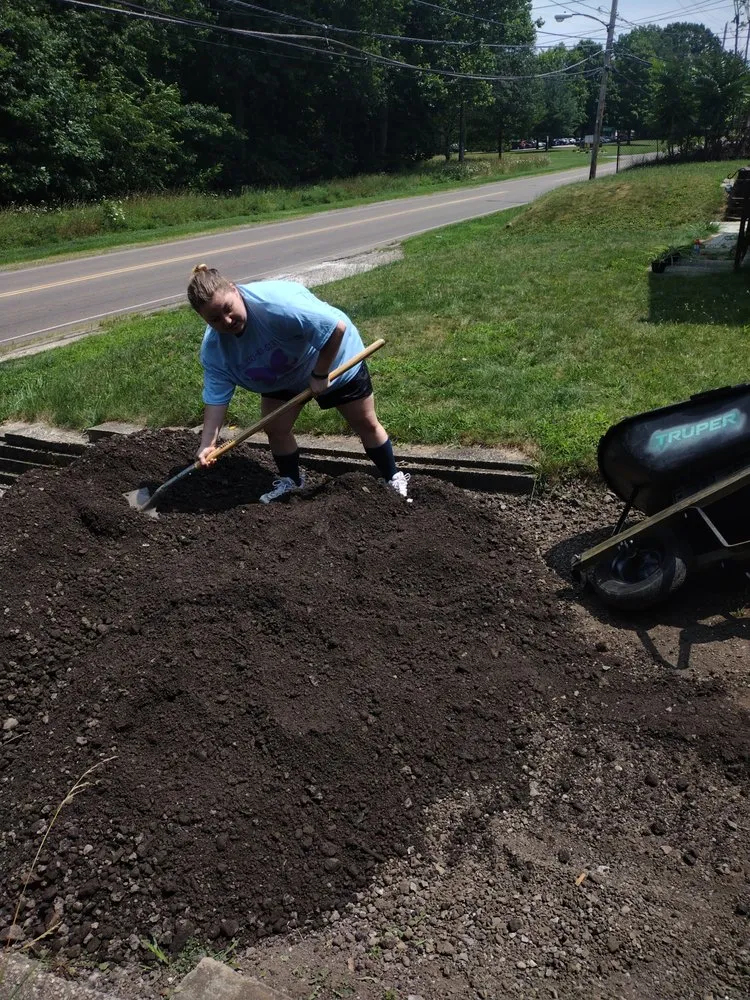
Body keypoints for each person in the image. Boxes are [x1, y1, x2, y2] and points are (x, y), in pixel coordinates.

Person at [186, 264, 410, 504]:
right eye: (215, 319)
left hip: (333, 359)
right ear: (203, 319)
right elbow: (216, 398)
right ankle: (291, 481)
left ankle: (393, 477)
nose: (227, 320)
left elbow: (335, 328)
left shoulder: (277, 305)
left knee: (365, 422)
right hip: (280, 375)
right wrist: (208, 444)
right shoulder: (214, 351)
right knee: (276, 429)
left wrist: (320, 373)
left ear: (234, 289)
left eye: (228, 309)